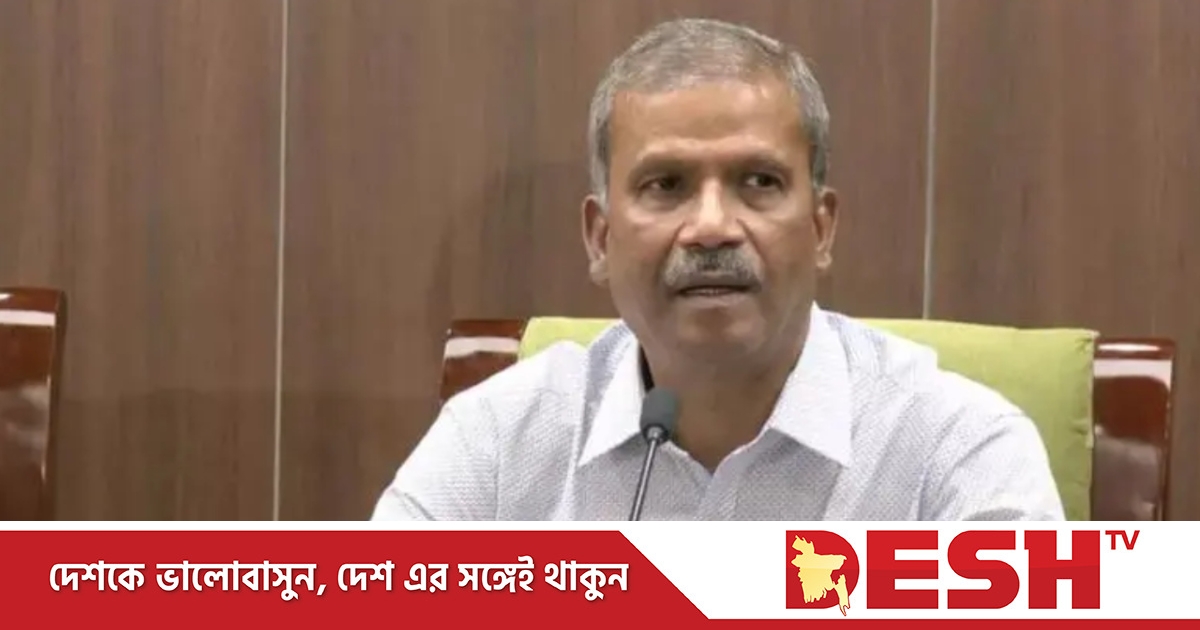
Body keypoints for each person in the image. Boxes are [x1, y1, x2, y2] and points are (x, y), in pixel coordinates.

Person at [372, 18, 1064, 521]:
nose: (711, 226)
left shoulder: (957, 452)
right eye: (665, 185)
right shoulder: (499, 442)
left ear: (821, 229)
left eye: (759, 182)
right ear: (600, 238)